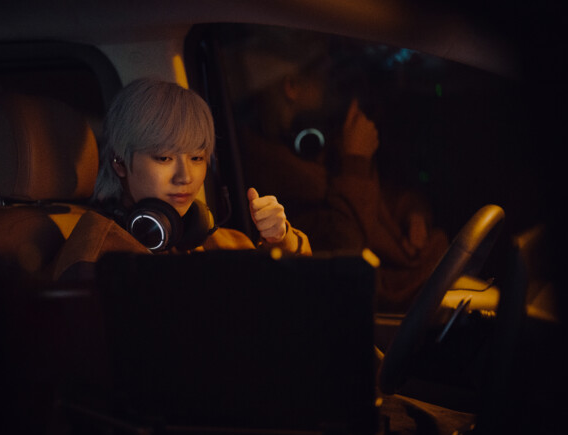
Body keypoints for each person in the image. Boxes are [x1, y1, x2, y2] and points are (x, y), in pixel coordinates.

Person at [230, 25, 448, 311]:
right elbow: (345, 258)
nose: (332, 91)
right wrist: (356, 161)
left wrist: (413, 214)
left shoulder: (310, 145)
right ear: (291, 86)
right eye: (325, 78)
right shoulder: (273, 173)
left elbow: (385, 197)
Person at [52, 77, 311, 281]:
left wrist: (281, 239)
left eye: (197, 158)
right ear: (119, 162)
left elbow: (300, 291)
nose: (185, 177)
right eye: (164, 158)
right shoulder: (96, 260)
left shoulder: (212, 240)